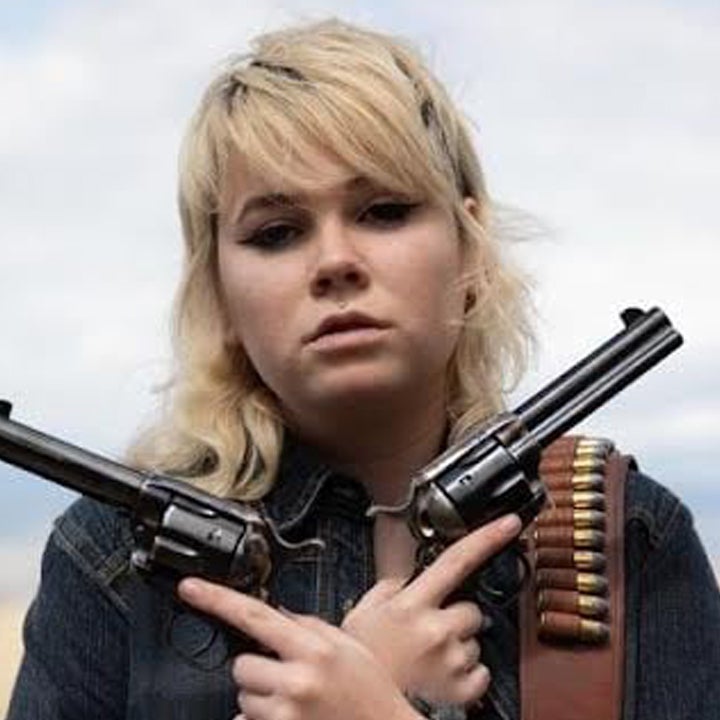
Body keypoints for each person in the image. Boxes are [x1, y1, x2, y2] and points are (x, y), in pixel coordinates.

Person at [7, 18, 720, 720]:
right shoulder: (109, 559)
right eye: (277, 232)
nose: (336, 262)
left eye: (384, 211)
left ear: (469, 250)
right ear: (220, 295)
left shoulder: (626, 534)